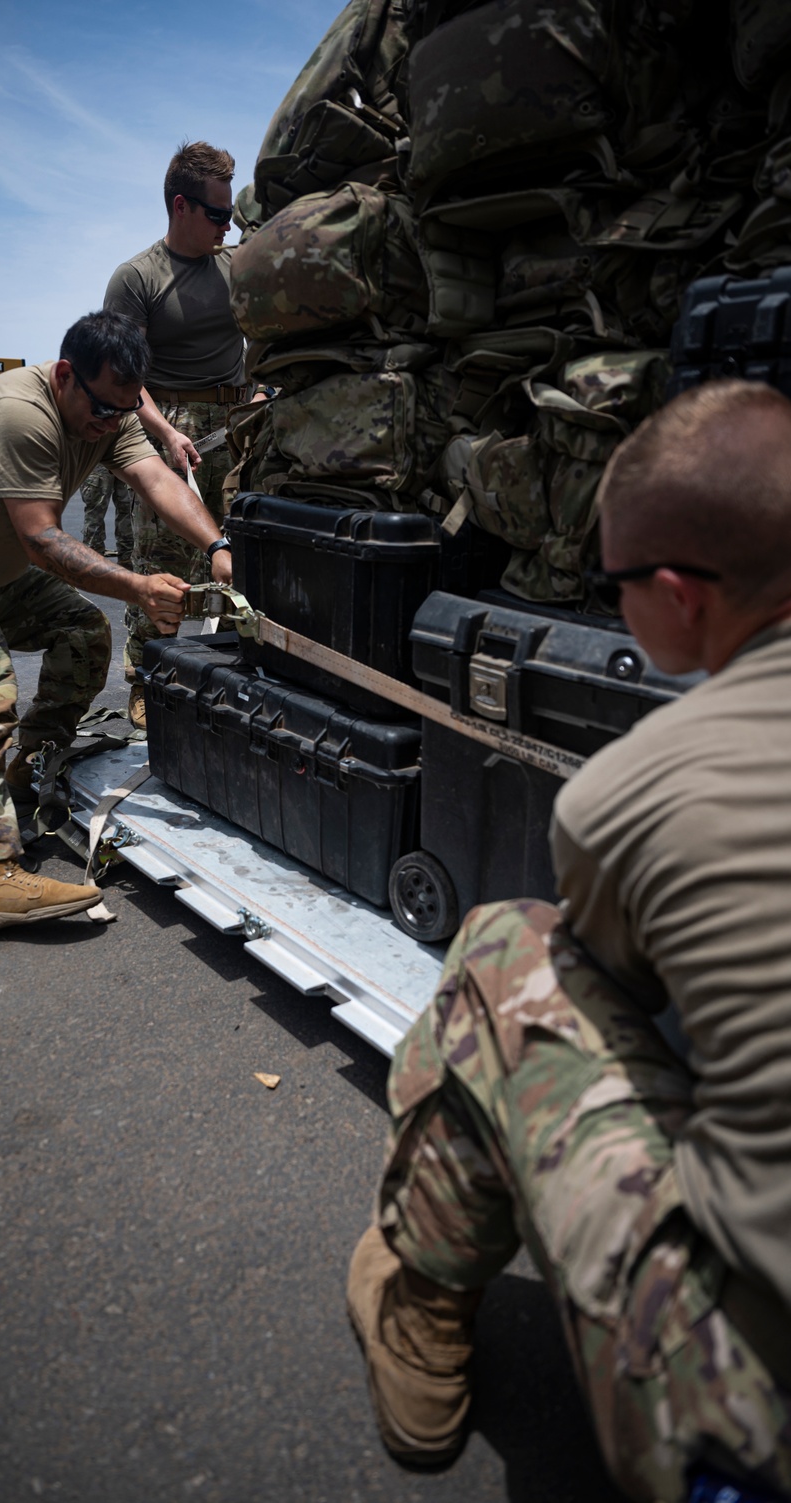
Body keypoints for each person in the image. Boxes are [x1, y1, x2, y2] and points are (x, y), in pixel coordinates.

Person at [347, 379, 791, 1502]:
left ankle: (421, 1292)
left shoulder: (639, 785)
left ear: (679, 596)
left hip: (754, 1440)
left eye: (612, 584)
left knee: (513, 957)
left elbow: (621, 986)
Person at [0, 310, 232, 933]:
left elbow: (157, 481)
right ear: (66, 374)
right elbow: (42, 540)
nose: (109, 425)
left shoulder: (105, 413)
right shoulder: (20, 413)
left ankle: (27, 766)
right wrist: (139, 587)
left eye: (123, 411)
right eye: (103, 408)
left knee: (84, 634)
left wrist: (219, 548)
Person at [103, 139, 252, 727]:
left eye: (232, 215)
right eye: (217, 215)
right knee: (161, 560)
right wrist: (164, 431)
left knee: (243, 551)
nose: (227, 225)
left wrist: (261, 391)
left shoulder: (238, 266)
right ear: (181, 206)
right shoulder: (137, 277)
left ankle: (243, 671)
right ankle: (146, 677)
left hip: (239, 424)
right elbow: (125, 375)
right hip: (172, 424)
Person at [80, 461, 134, 560]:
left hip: (125, 458)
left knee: (128, 508)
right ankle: (93, 558)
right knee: (95, 511)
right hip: (98, 460)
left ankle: (127, 558)